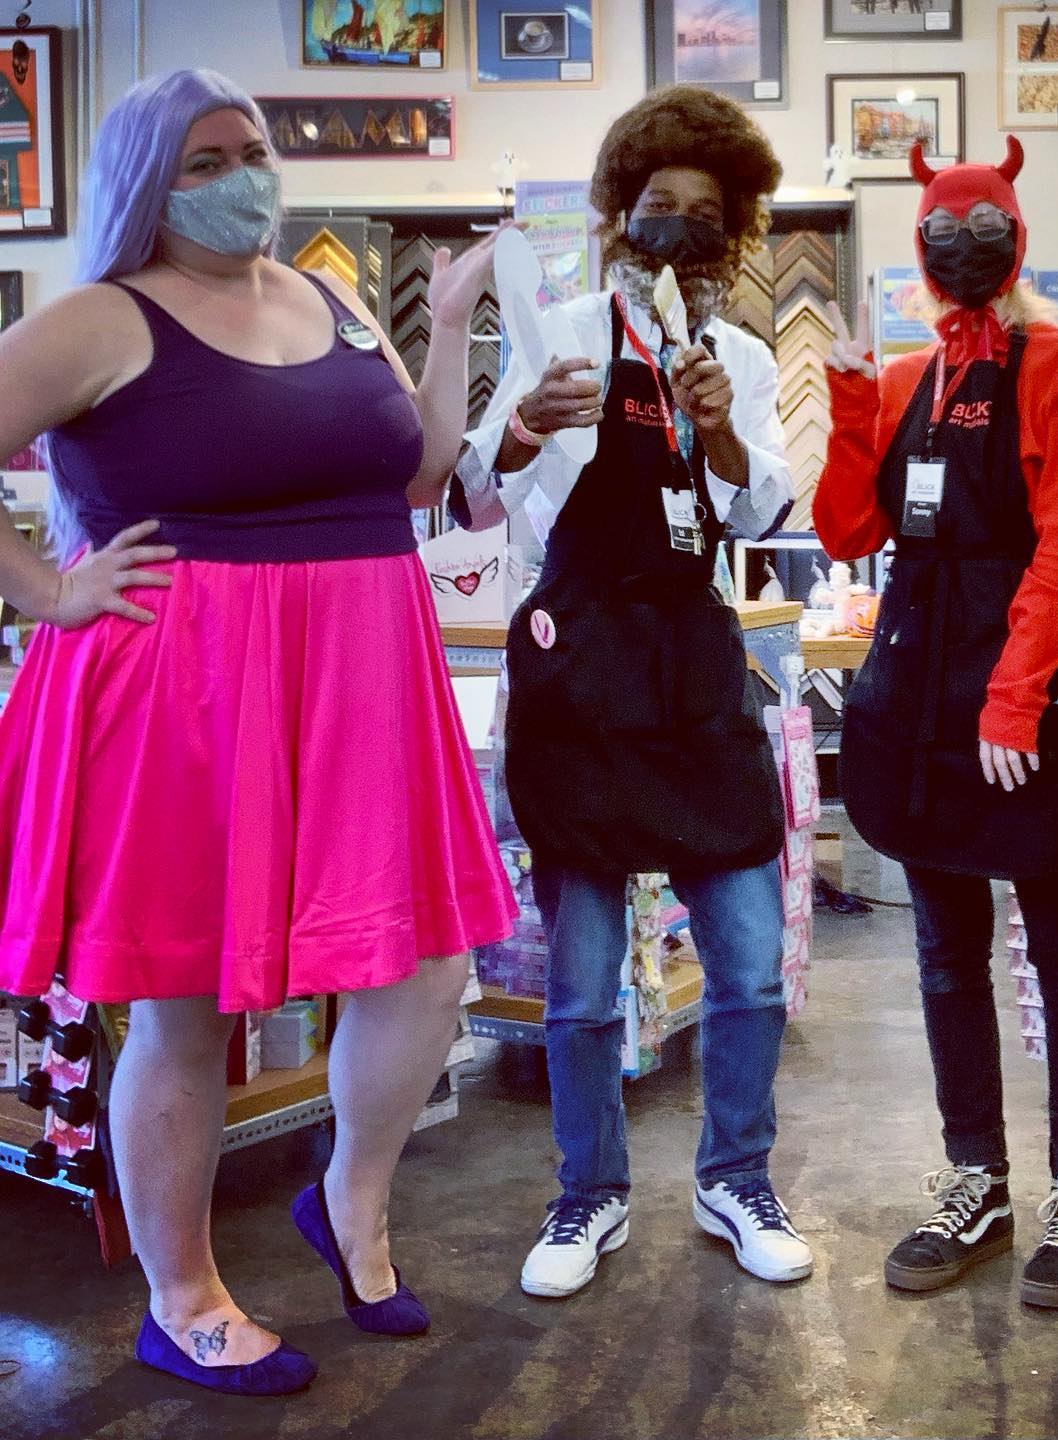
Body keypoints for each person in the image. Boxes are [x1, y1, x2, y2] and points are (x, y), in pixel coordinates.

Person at [0, 70, 515, 1396]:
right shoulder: (101, 319)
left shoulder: (332, 299)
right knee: (183, 1003)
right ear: (148, 185)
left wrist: (456, 317)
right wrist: (48, 590)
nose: (243, 177)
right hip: (185, 686)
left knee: (428, 969)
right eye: (206, 161)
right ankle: (182, 1297)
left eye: (254, 150)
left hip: (364, 672)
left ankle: (349, 1203)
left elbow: (414, 471)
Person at [453, 85, 811, 1299]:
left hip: (695, 683)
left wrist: (722, 434)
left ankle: (736, 1177)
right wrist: (518, 429)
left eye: (704, 211)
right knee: (582, 984)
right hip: (578, 681)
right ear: (619, 208)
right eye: (660, 201)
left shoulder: (741, 356)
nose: (677, 225)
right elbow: (472, 491)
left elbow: (764, 513)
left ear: (733, 230)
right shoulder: (555, 328)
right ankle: (588, 1191)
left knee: (749, 966)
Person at [813, 139, 1058, 1309]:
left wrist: (1015, 694)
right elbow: (848, 532)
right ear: (921, 247)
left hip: (1025, 705)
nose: (963, 246)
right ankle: (976, 1181)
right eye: (944, 229)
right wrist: (850, 402)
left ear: (1015, 239)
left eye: (983, 226)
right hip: (917, 703)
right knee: (945, 954)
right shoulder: (906, 378)